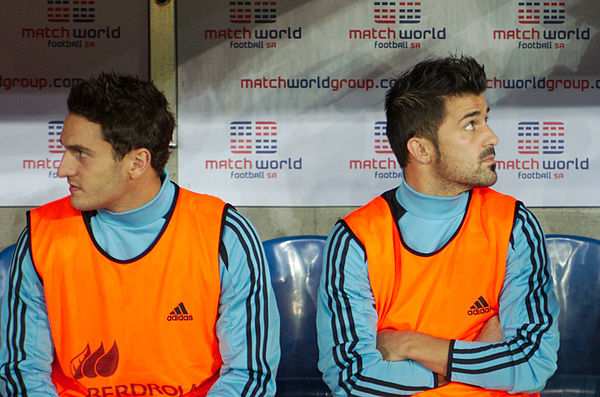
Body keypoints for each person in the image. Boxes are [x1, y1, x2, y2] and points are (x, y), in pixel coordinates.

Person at [0, 72, 280, 396]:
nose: (63, 168)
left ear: (137, 163)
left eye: (81, 154)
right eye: (65, 151)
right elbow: (22, 373)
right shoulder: (42, 237)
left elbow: (250, 375)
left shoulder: (223, 234)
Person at [316, 56, 559, 396]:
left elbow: (533, 363)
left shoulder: (515, 225)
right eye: (471, 125)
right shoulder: (356, 239)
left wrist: (411, 345)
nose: (492, 137)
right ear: (421, 150)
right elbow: (350, 375)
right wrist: (466, 366)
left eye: (486, 120)